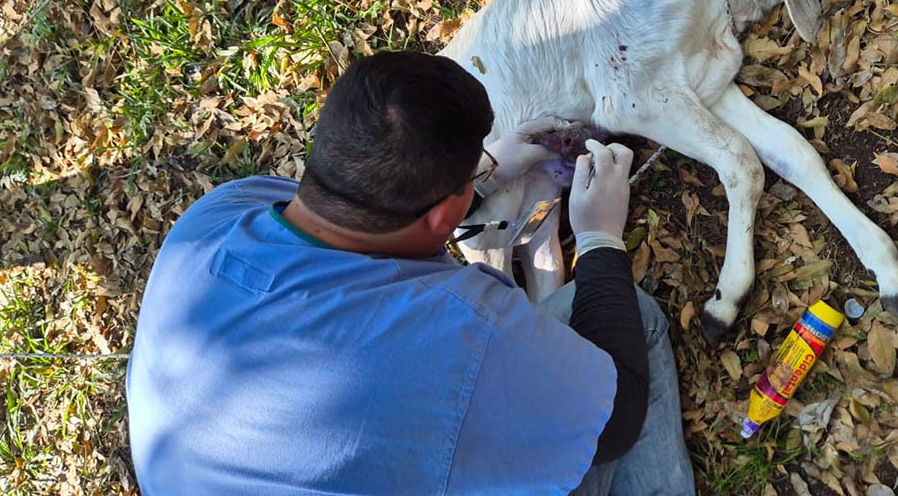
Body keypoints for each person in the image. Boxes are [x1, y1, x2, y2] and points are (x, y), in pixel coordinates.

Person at [126, 51, 696, 495]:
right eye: (473, 173)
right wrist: (598, 238)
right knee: (634, 320)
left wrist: (484, 174)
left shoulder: (220, 213)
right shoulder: (460, 332)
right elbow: (617, 420)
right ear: (445, 214)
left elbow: (368, 215)